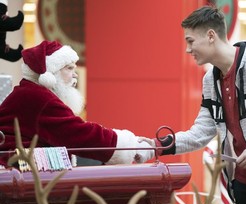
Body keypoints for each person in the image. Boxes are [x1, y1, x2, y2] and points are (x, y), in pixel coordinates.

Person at [136, 5, 246, 204]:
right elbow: (201, 132)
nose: (188, 50)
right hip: (244, 186)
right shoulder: (210, 80)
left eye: (190, 41)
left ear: (210, 36)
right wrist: (157, 146)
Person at [0, 40, 151, 167]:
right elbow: (80, 134)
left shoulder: (30, 92)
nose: (75, 75)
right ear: (50, 74)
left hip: (18, 168)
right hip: (16, 173)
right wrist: (130, 146)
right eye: (69, 68)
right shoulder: (39, 98)